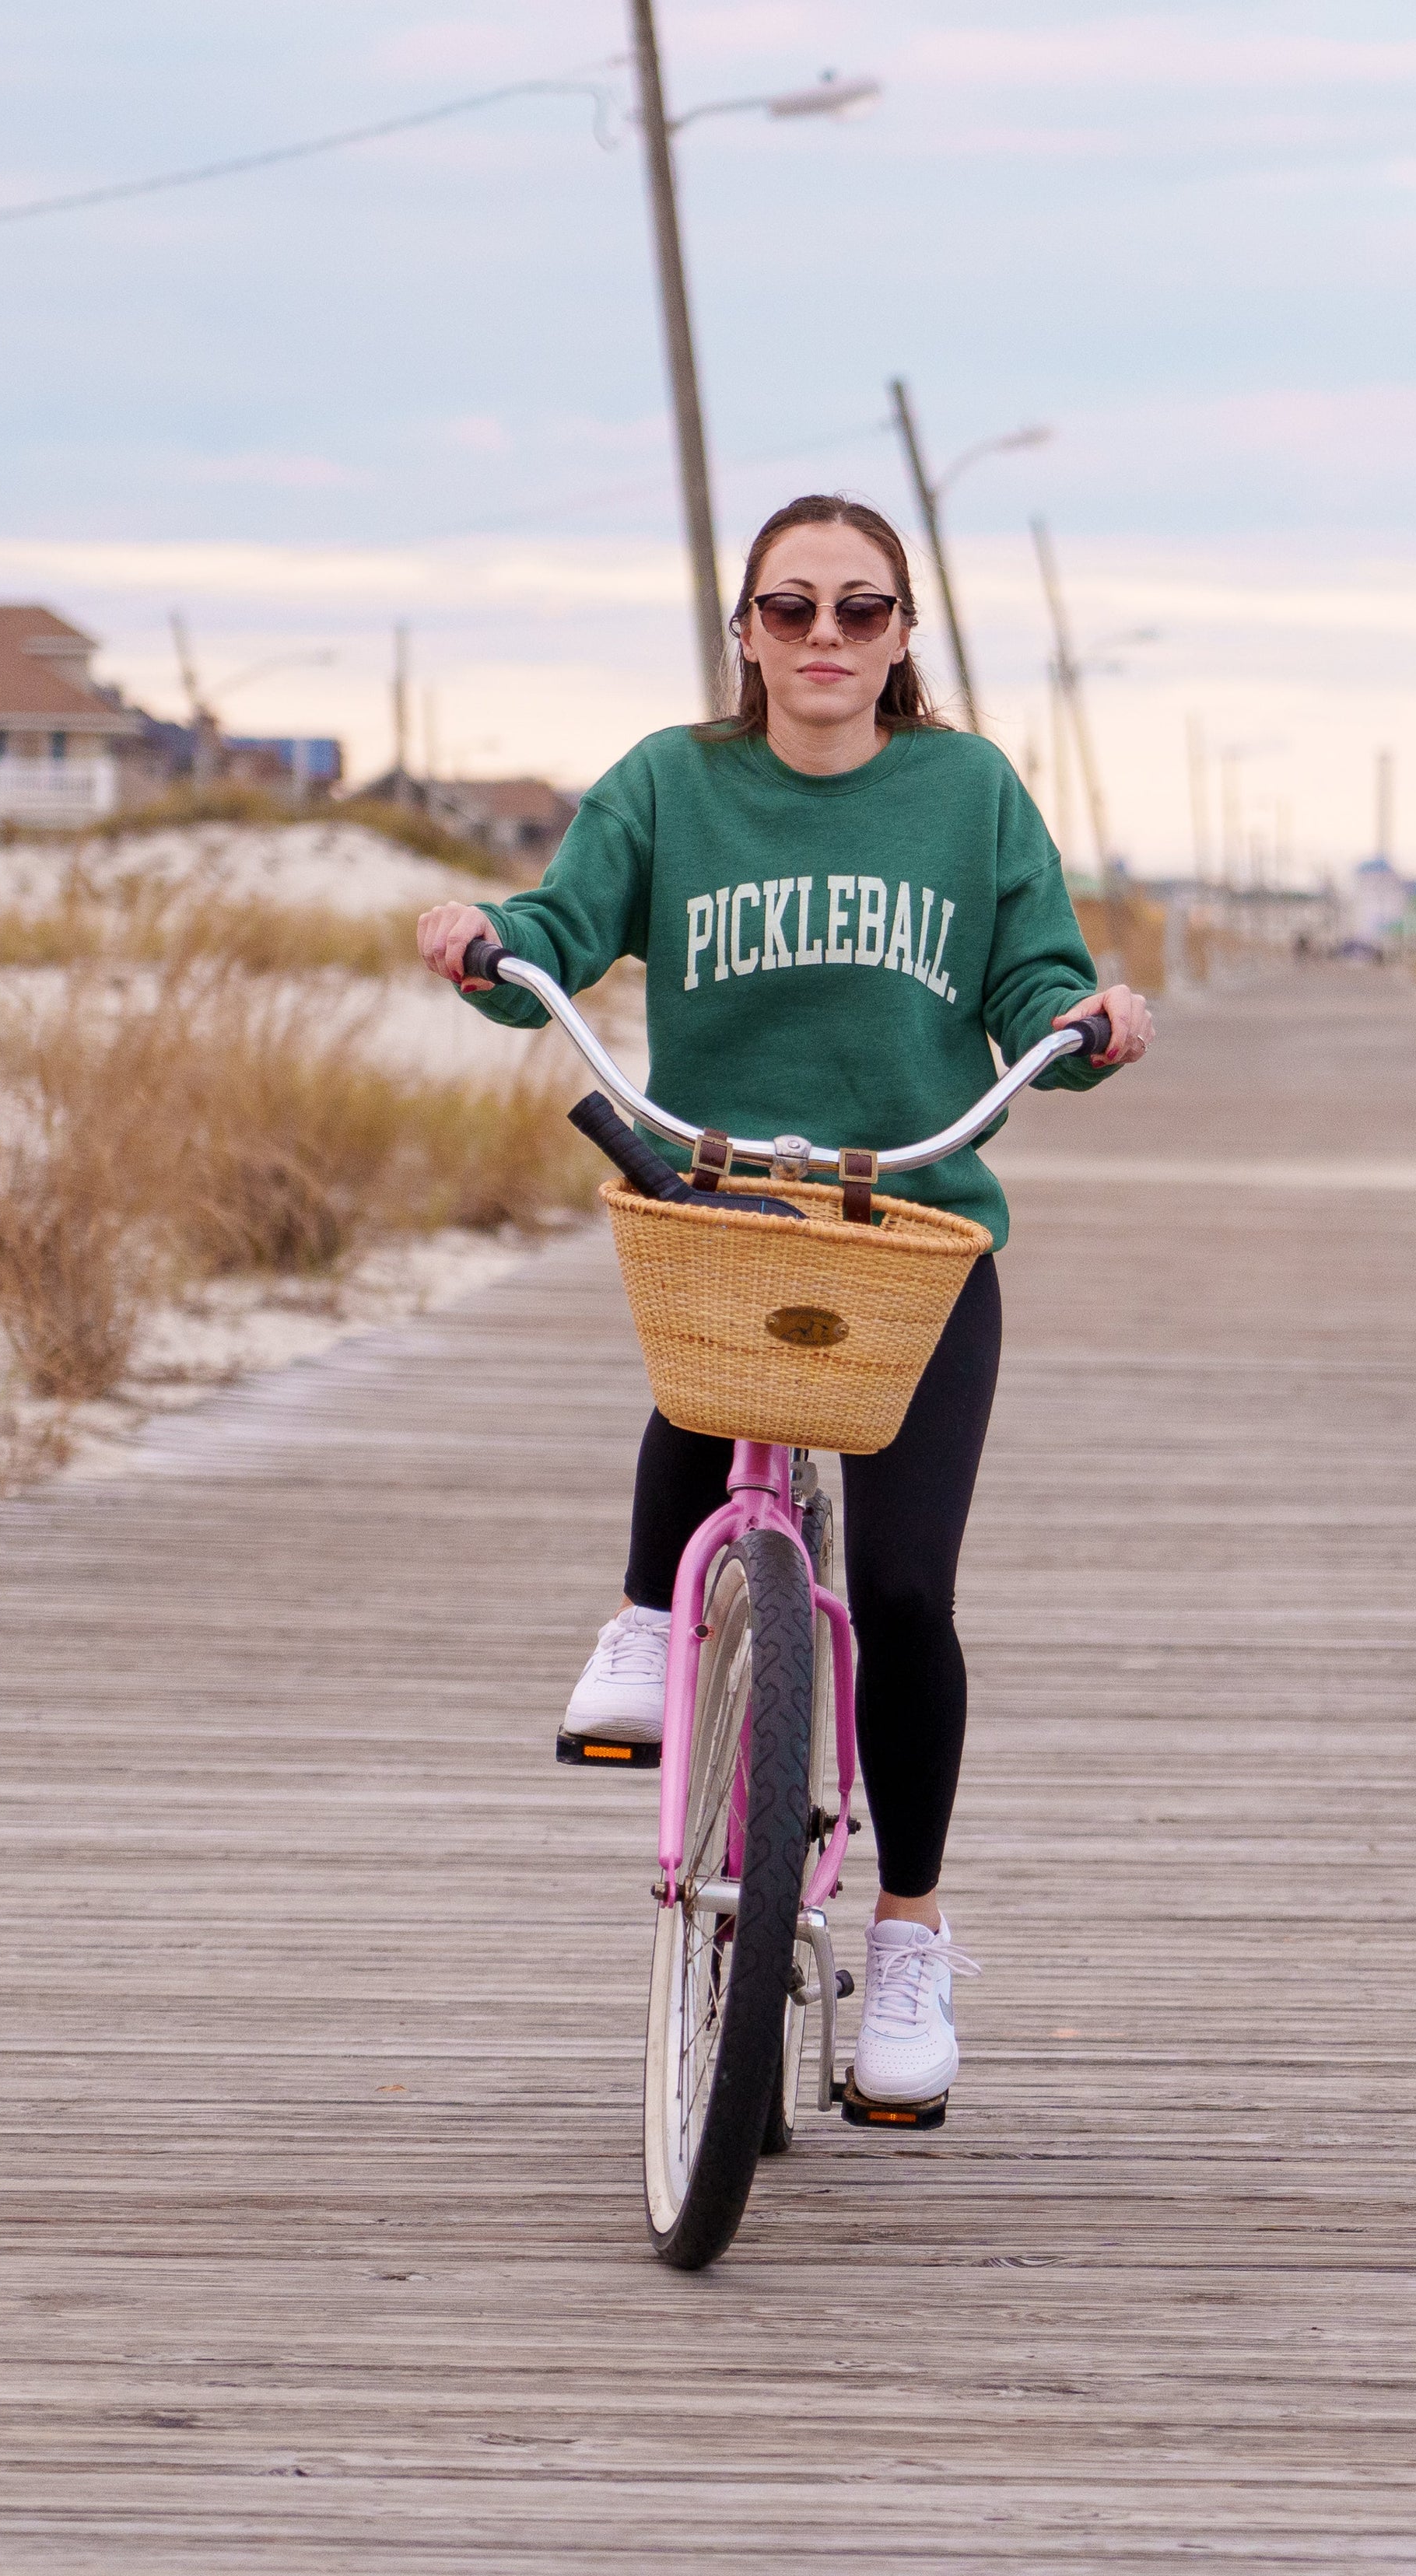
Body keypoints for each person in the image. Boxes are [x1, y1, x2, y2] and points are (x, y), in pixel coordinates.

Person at [416, 494, 1151, 2109]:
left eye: (863, 612)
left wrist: (1082, 1018)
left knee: (900, 1595)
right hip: (736, 1206)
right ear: (744, 632)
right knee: (701, 1345)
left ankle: (907, 1939)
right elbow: (562, 925)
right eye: (795, 608)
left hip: (915, 1231)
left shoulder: (966, 793)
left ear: (903, 642)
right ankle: (642, 1613)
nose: (828, 638)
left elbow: (1032, 978)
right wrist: (491, 942)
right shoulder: (676, 784)